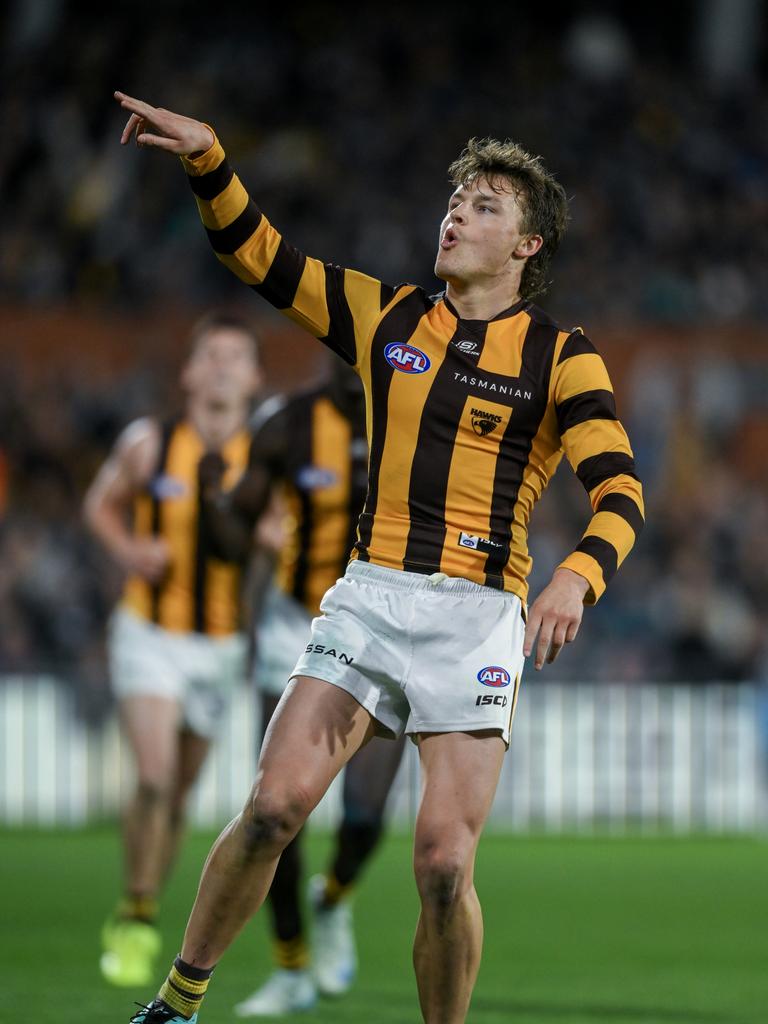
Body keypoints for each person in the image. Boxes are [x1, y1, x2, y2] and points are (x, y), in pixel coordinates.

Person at [113, 91, 645, 1024]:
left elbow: (622, 493)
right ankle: (176, 1002)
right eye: (455, 201)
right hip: (370, 598)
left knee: (443, 865)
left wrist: (575, 574)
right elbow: (262, 259)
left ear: (528, 246)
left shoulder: (564, 356)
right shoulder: (388, 316)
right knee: (275, 807)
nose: (457, 215)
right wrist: (209, 159)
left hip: (479, 614)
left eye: (486, 206)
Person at [200, 358, 406, 1016]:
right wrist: (214, 504)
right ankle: (290, 968)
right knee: (274, 813)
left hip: (389, 628)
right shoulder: (287, 423)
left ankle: (335, 896)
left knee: (367, 816)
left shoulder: (419, 411)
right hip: (298, 624)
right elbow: (232, 540)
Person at [84, 311, 262, 987]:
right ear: (189, 373)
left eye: (234, 356)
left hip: (220, 644)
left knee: (181, 792)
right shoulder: (150, 443)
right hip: (148, 632)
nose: (220, 365)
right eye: (210, 354)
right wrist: (130, 549)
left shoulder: (264, 454)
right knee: (155, 775)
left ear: (253, 376)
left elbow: (281, 530)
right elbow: (101, 504)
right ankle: (133, 914)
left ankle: (147, 904)